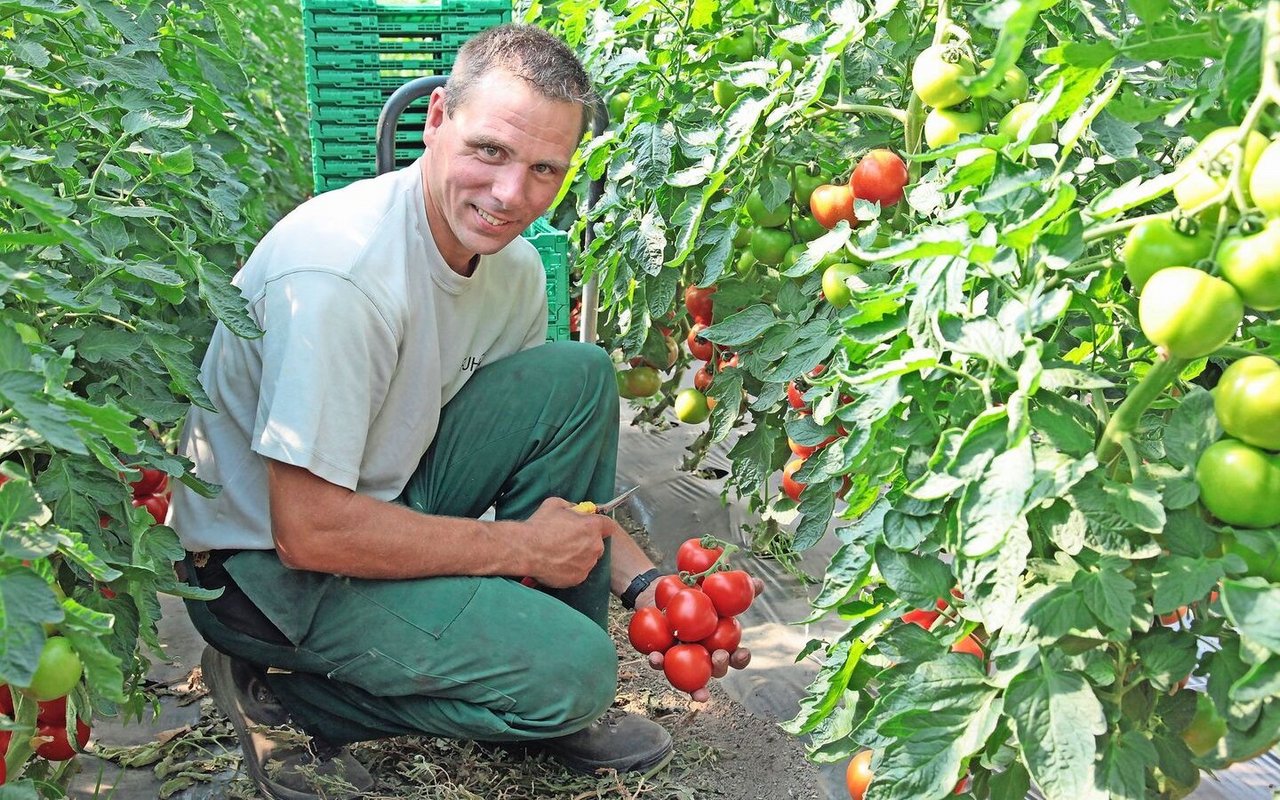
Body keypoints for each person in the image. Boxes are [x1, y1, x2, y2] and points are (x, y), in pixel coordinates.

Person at [169, 24, 678, 800]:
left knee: (577, 375)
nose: (513, 195)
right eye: (491, 152)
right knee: (576, 675)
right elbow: (307, 532)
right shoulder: (342, 275)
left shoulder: (511, 270)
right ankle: (288, 701)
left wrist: (645, 586)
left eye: (546, 168)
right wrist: (520, 552)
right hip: (263, 573)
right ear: (436, 118)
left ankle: (551, 682)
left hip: (376, 500)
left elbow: (535, 463)